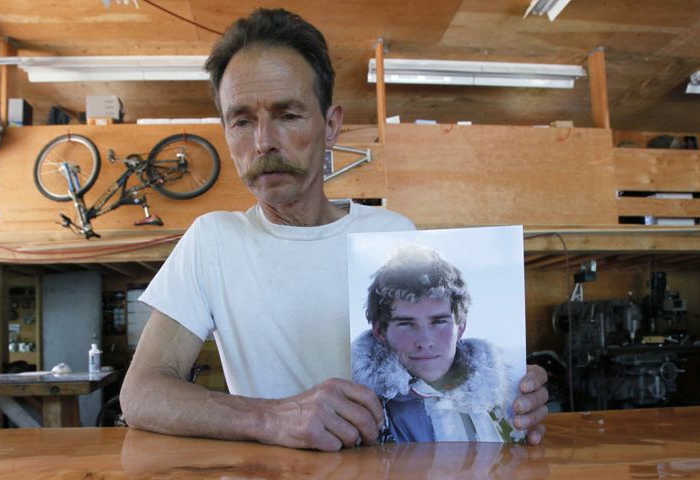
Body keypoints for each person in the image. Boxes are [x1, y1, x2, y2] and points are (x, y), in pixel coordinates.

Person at [119, 8, 549, 452]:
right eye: (242, 120)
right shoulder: (212, 241)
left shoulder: (392, 234)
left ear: (330, 125)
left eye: (288, 114)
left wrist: (510, 397)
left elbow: (435, 372)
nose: (263, 141)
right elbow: (141, 393)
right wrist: (272, 417)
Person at [353, 246, 518, 443]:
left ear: (461, 327)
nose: (425, 342)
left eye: (438, 322)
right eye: (406, 324)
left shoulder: (503, 394)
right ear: (379, 331)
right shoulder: (357, 407)